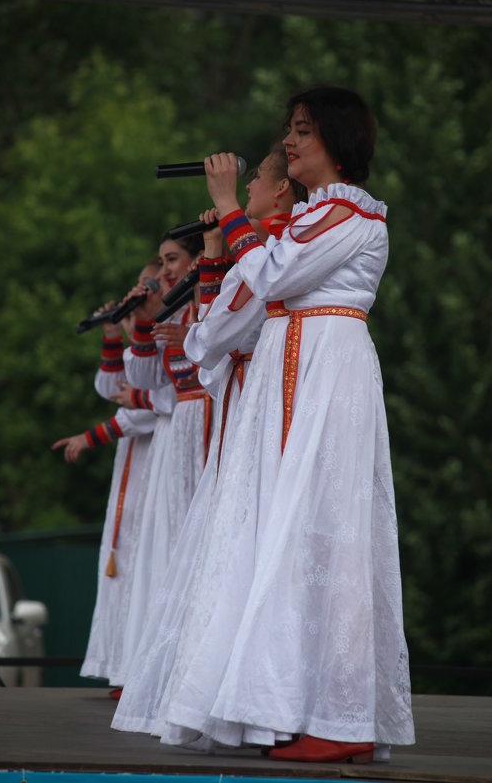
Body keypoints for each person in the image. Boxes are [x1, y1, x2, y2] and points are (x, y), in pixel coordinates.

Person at [124, 86, 415, 762]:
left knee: (330, 537)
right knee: (286, 537)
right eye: (288, 129)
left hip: (327, 369)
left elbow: (277, 273)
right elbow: (244, 303)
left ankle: (342, 718)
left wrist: (229, 210)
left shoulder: (351, 215)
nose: (289, 142)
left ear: (337, 141)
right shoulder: (317, 214)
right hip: (293, 367)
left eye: (304, 131)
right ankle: (287, 705)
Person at [111, 145, 305, 735]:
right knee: (215, 547)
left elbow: (218, 330)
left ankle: (247, 705)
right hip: (241, 400)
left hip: (252, 403)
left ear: (278, 193)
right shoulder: (259, 240)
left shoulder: (277, 241)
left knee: (238, 544)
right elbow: (214, 330)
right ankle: (224, 699)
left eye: (252, 188)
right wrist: (216, 249)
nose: (242, 194)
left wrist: (223, 234)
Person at [51, 261, 173, 690]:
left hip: (160, 450)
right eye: (139, 285)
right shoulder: (146, 336)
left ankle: (137, 668)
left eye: (148, 285)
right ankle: (122, 663)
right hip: (133, 460)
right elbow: (110, 388)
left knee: (143, 556)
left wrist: (89, 436)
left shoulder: (170, 333)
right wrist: (110, 334)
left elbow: (144, 410)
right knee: (122, 558)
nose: (139, 291)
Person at [108, 230, 208, 683]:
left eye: (173, 260)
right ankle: (158, 669)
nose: (164, 271)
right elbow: (146, 378)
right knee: (163, 547)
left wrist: (147, 399)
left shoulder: (205, 309)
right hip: (175, 439)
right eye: (163, 261)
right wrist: (142, 323)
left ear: (197, 261)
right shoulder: (175, 311)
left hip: (201, 430)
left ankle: (187, 670)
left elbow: (172, 392)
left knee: (190, 544)